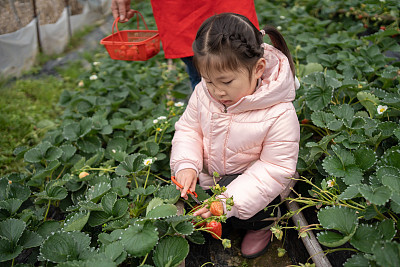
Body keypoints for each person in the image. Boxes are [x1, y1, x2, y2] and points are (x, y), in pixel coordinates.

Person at [170, 13, 300, 259]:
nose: (217, 91)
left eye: (226, 81)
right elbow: (189, 130)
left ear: (258, 69)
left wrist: (227, 202)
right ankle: (222, 211)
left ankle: (262, 227)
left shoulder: (280, 113)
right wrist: (187, 165)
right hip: (214, 178)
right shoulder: (203, 94)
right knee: (190, 187)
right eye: (208, 81)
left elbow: (274, 168)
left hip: (256, 186)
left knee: (251, 206)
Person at [111, 0, 259, 89]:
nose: (219, 92)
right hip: (181, 8)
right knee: (204, 80)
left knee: (241, 68)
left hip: (189, 10)